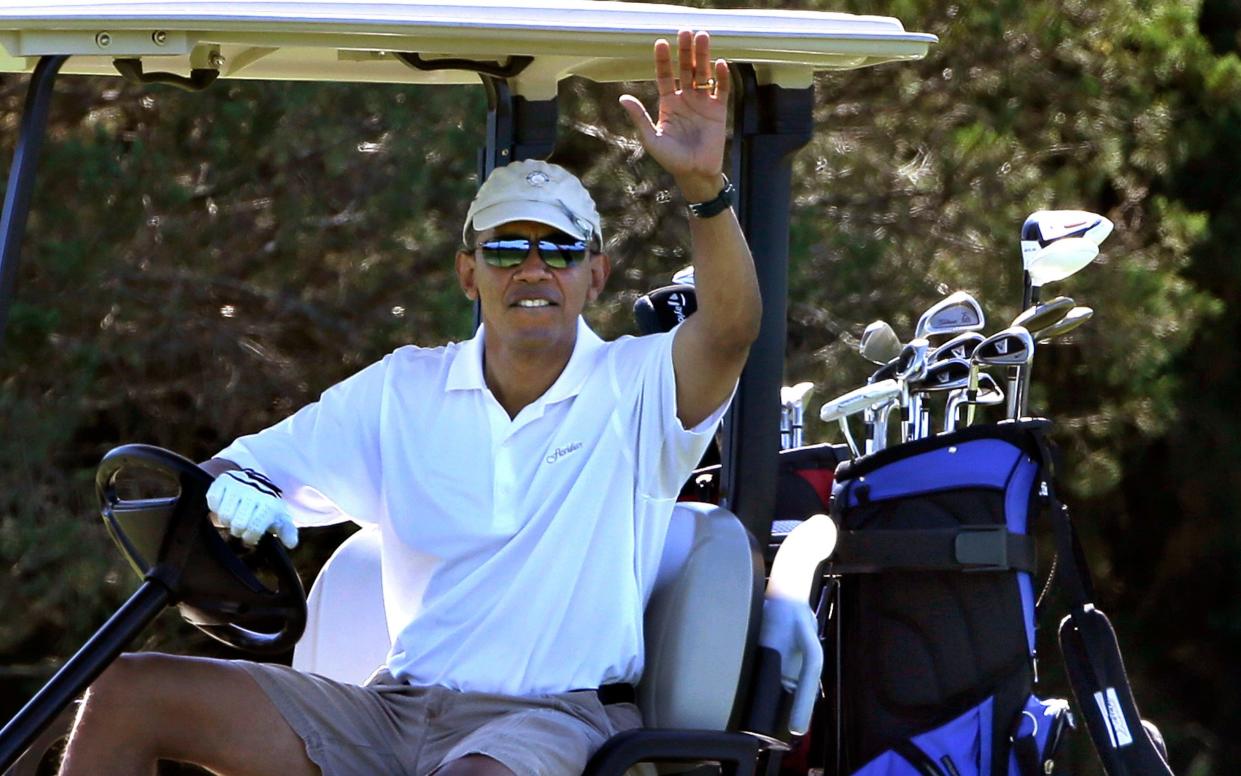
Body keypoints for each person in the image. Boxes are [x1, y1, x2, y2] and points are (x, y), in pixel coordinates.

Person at [59, 29, 760, 776]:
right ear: (469, 272)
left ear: (595, 274)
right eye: (504, 249)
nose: (531, 269)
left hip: (550, 718)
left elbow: (728, 330)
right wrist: (236, 492)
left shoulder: (637, 388)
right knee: (129, 689)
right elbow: (243, 470)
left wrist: (701, 190)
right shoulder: (404, 389)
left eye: (557, 251)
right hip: (392, 709)